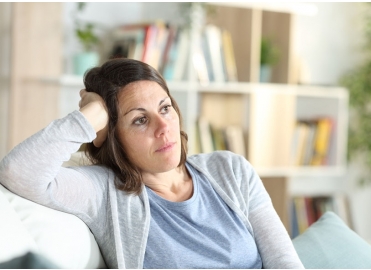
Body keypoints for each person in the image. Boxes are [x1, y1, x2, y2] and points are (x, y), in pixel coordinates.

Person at [0, 58, 304, 269]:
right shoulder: (105, 191)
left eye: (166, 108)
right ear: (110, 135)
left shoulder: (231, 170)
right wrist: (89, 116)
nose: (163, 127)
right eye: (140, 120)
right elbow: (18, 171)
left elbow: (285, 263)